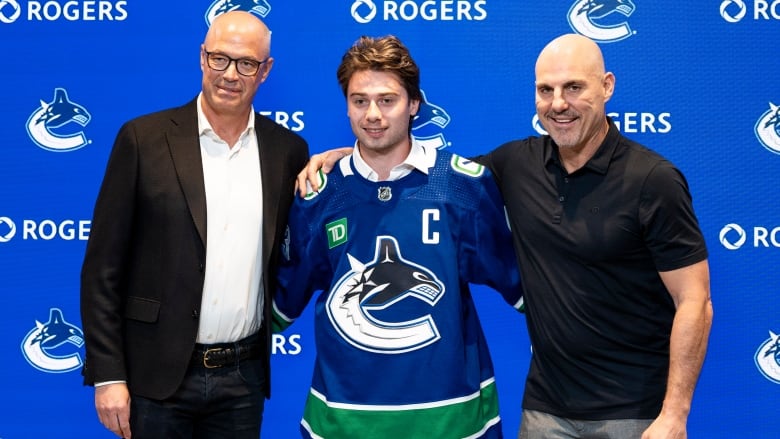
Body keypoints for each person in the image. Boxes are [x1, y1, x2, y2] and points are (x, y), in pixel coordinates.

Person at [298, 33, 713, 439]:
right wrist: (343, 160)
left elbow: (695, 301)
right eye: (546, 90)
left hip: (634, 413)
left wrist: (674, 414)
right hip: (545, 409)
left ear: (607, 87)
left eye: (573, 88)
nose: (558, 103)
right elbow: (425, 177)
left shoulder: (653, 179)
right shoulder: (515, 164)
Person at [271, 35, 524, 439]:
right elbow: (276, 307)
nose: (373, 114)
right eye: (359, 100)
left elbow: (530, 291)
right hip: (342, 420)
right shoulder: (318, 195)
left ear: (414, 105)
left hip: (452, 421)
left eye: (387, 100)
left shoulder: (463, 187)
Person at [80, 11, 309, 438]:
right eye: (220, 58)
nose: (230, 74)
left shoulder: (287, 151)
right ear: (202, 57)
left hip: (243, 381)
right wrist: (108, 375)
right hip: (155, 378)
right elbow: (102, 270)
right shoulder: (142, 140)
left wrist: (332, 160)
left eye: (246, 63)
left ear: (265, 71)